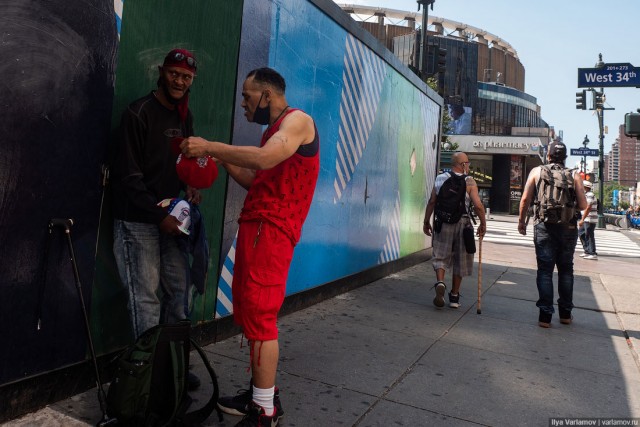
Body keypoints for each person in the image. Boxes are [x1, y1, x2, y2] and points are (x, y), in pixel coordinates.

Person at [181, 67, 319, 427]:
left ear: (267, 96)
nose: (243, 103)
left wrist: (210, 146)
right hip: (257, 226)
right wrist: (223, 160)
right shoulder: (271, 132)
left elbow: (264, 160)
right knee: (247, 311)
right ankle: (263, 394)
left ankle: (264, 413)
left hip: (272, 231)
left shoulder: (297, 121)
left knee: (260, 317)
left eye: (248, 95)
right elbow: (258, 180)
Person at [111, 48, 202, 386]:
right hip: (138, 221)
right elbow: (129, 178)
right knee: (145, 300)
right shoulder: (138, 113)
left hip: (172, 220)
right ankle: (144, 378)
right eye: (175, 74)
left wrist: (191, 185)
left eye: (186, 77)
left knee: (180, 294)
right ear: (162, 72)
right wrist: (156, 214)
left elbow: (186, 163)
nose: (180, 81)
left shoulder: (184, 116)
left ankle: (172, 368)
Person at [517, 141, 587, 328]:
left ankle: (545, 317)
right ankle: (565, 314)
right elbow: (582, 205)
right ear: (565, 158)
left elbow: (525, 199)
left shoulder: (536, 171)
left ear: (548, 156)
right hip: (568, 228)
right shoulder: (574, 175)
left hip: (543, 227)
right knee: (566, 270)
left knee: (545, 271)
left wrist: (521, 221)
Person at [423, 152, 487, 309]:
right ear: (462, 164)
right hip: (464, 225)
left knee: (440, 256)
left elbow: (432, 201)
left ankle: (440, 282)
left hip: (444, 222)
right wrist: (483, 223)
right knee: (461, 260)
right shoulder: (469, 181)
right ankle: (454, 296)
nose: (469, 165)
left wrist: (426, 221)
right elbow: (478, 205)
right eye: (468, 163)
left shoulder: (440, 178)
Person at [578, 180, 598, 260]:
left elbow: (588, 207)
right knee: (581, 233)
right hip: (586, 218)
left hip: (589, 218)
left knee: (589, 235)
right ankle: (587, 251)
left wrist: (582, 219)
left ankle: (592, 253)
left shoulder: (590, 195)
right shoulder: (586, 195)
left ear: (585, 187)